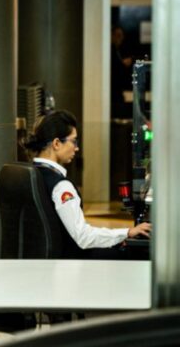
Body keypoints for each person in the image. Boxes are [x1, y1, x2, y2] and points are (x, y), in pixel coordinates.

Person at [22, 110, 151, 259]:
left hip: (46, 260)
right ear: (57, 143)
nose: (76, 148)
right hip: (70, 262)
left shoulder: (31, 173)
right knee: (135, 253)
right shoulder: (61, 186)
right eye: (74, 141)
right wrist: (127, 233)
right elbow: (83, 237)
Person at [110, 26, 133, 119]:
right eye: (118, 35)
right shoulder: (110, 50)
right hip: (113, 89)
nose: (120, 38)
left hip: (118, 89)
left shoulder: (116, 50)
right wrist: (123, 64)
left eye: (121, 36)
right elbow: (114, 68)